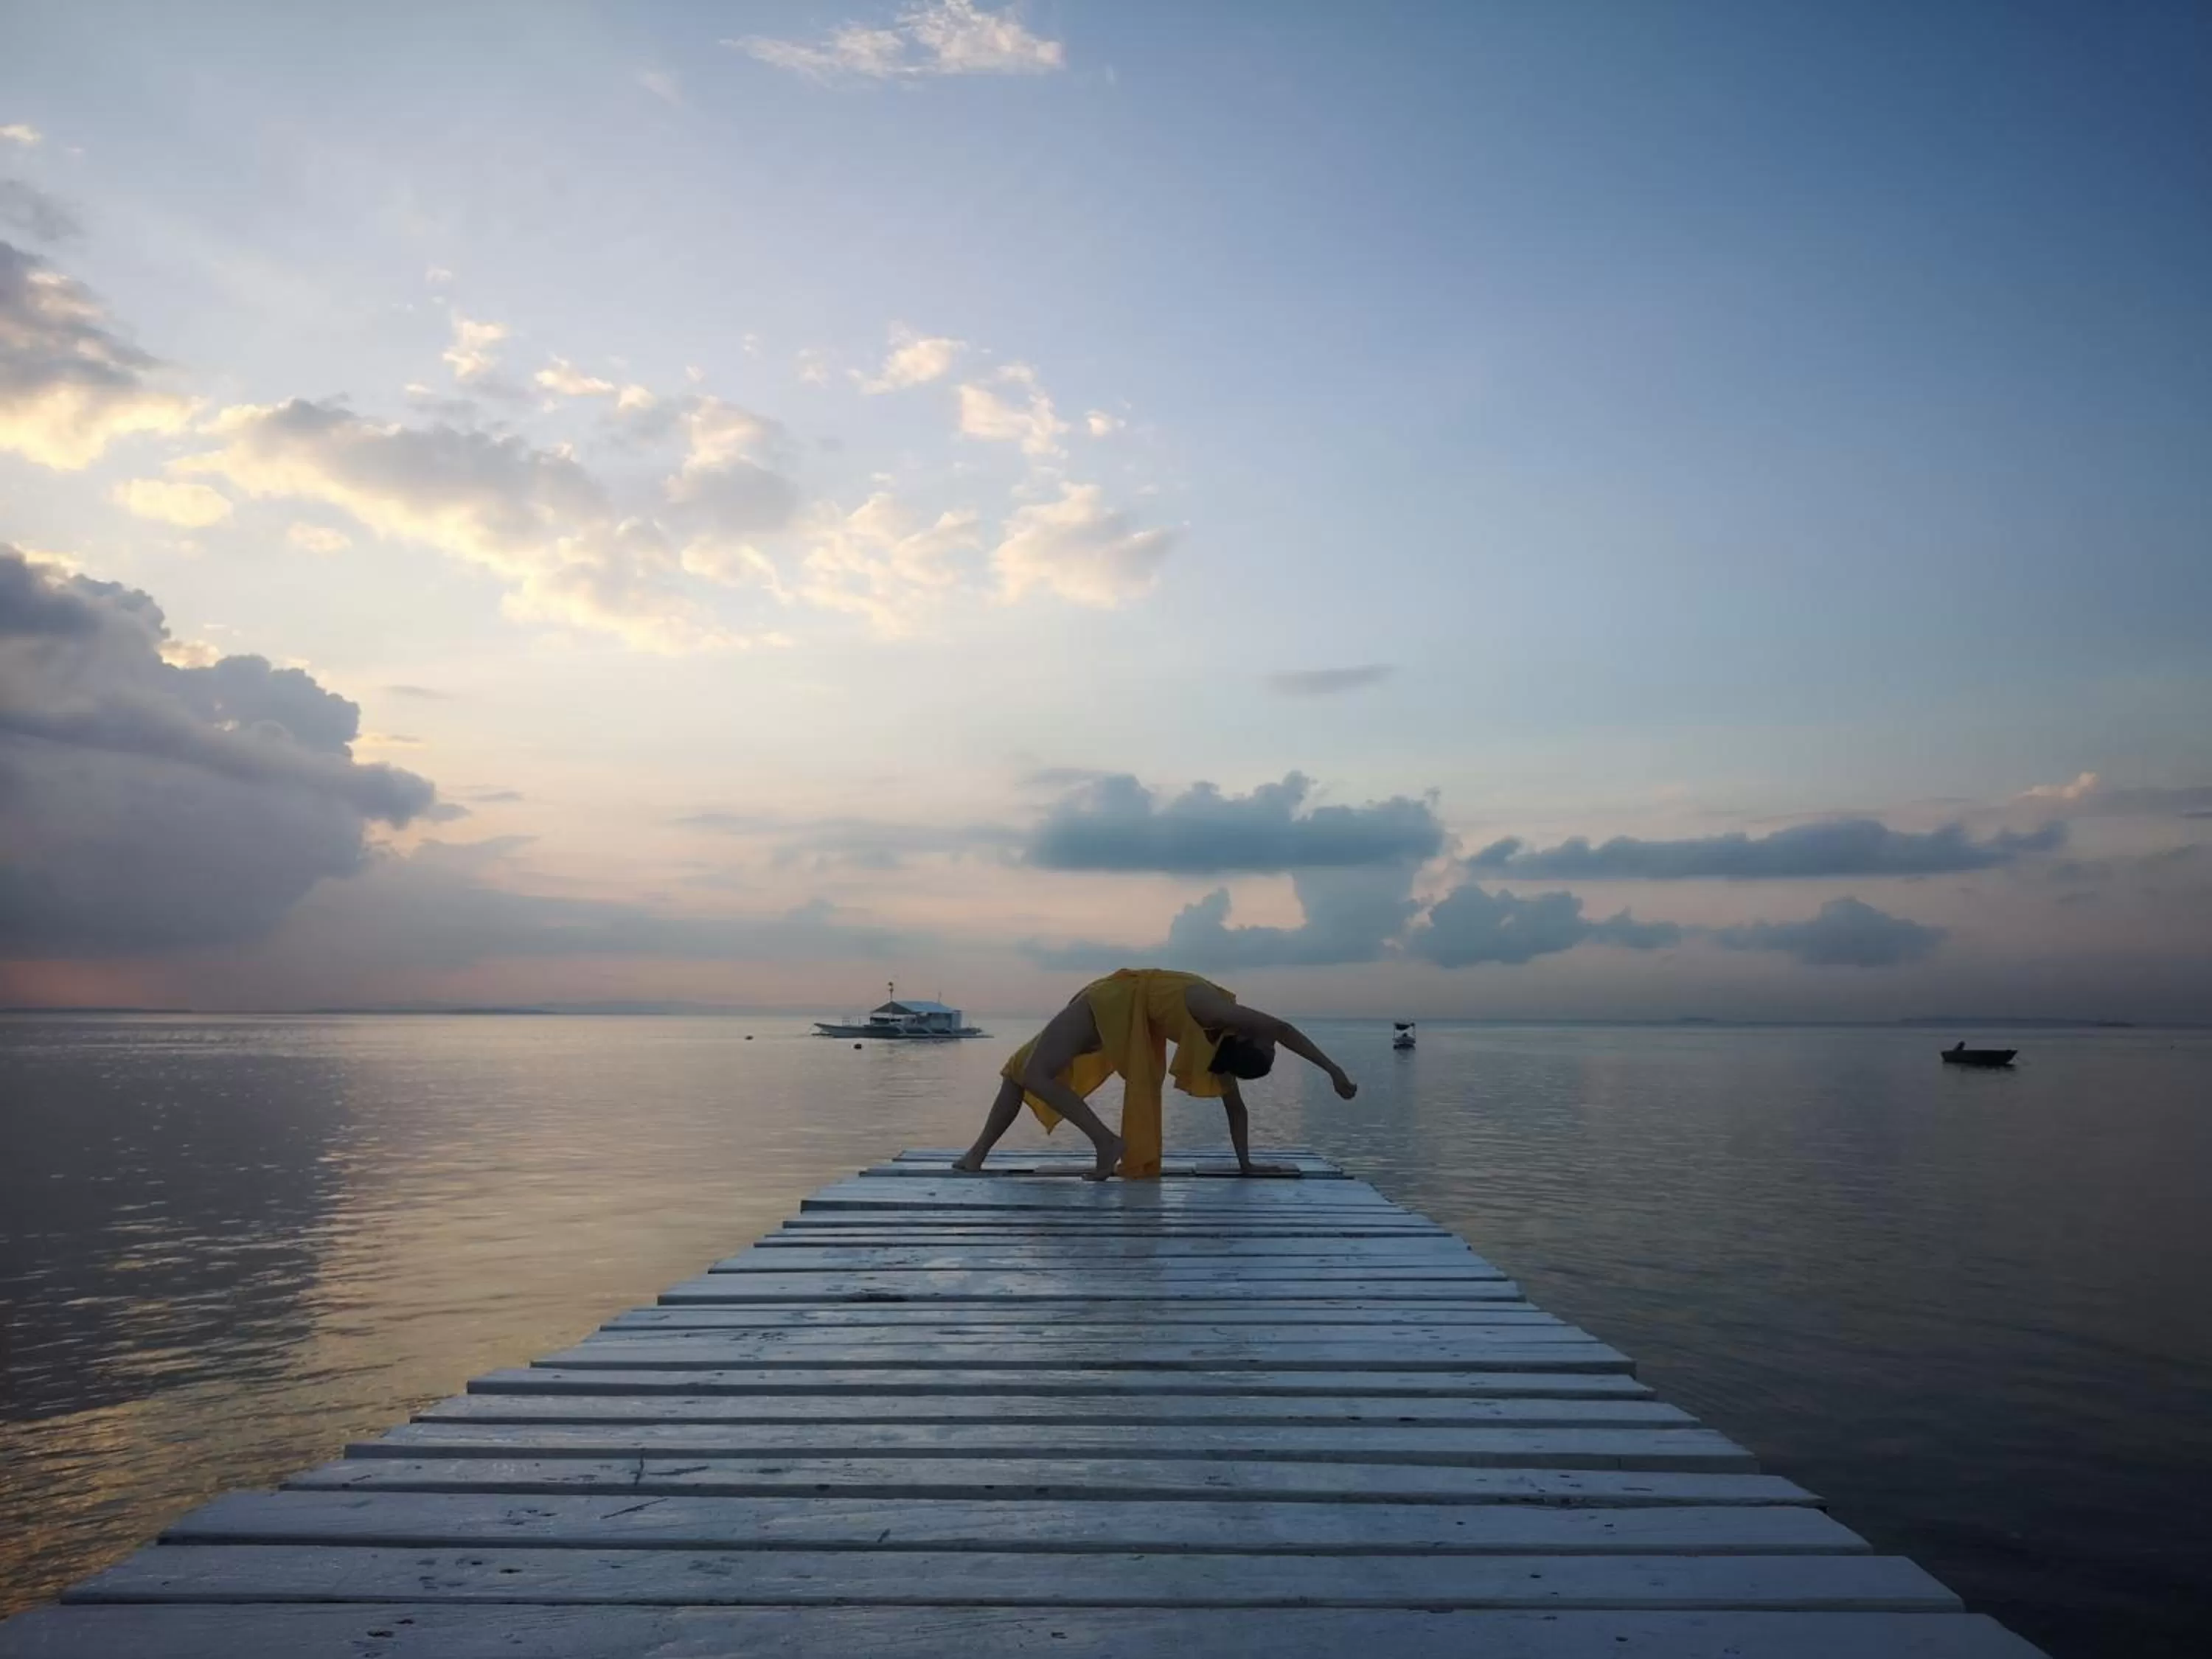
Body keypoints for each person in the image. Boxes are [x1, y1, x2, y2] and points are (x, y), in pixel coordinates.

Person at [950, 967, 1358, 1181]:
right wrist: (1246, 1164)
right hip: (1122, 1013)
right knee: (1019, 1070)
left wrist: (1334, 1070)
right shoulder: (1220, 1041)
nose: (1270, 1042)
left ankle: (1107, 1143)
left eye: (1266, 1047)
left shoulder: (1222, 1019)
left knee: (1036, 1073)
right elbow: (1236, 1109)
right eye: (1270, 1048)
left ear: (1249, 1046)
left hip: (1111, 1004)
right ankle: (976, 1156)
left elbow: (1282, 1030)